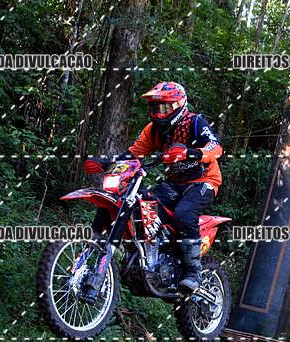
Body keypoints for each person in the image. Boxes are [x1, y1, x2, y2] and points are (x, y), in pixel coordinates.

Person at [84, 81, 223, 293]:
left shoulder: (195, 123)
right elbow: (133, 155)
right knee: (144, 202)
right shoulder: (153, 131)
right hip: (174, 183)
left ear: (179, 106)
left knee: (184, 213)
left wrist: (190, 153)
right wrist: (104, 164)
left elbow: (216, 147)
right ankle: (157, 255)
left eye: (164, 108)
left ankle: (193, 273)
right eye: (154, 108)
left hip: (203, 181)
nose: (158, 113)